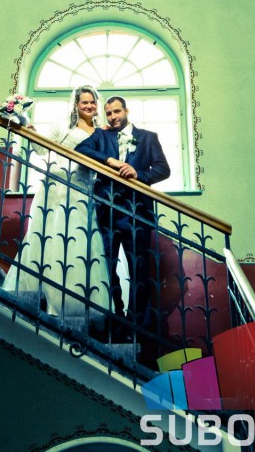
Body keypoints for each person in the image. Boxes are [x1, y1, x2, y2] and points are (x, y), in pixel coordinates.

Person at [4, 86, 110, 327]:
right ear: (76, 105)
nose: (89, 106)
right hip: (56, 186)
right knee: (50, 235)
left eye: (92, 102)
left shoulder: (101, 132)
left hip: (82, 188)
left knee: (79, 239)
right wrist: (28, 127)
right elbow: (42, 149)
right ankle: (47, 294)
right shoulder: (62, 126)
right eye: (84, 102)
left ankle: (74, 298)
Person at [75, 95, 170, 340]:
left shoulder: (148, 137)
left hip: (137, 213)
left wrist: (139, 174)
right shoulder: (101, 136)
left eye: (117, 112)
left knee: (139, 269)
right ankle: (115, 318)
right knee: (106, 267)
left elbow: (163, 169)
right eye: (108, 113)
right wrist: (108, 160)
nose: (113, 117)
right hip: (106, 211)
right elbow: (80, 149)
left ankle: (138, 326)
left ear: (127, 111)